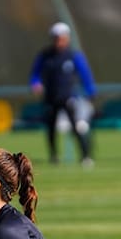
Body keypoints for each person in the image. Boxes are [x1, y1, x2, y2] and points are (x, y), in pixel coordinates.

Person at [29, 22, 96, 166]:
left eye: (62, 38)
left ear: (67, 39)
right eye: (56, 38)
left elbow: (85, 74)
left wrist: (90, 91)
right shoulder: (45, 56)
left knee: (76, 126)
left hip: (68, 97)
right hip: (51, 98)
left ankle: (85, 156)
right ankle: (54, 156)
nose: (59, 41)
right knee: (51, 128)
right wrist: (35, 84)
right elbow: (35, 74)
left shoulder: (73, 56)